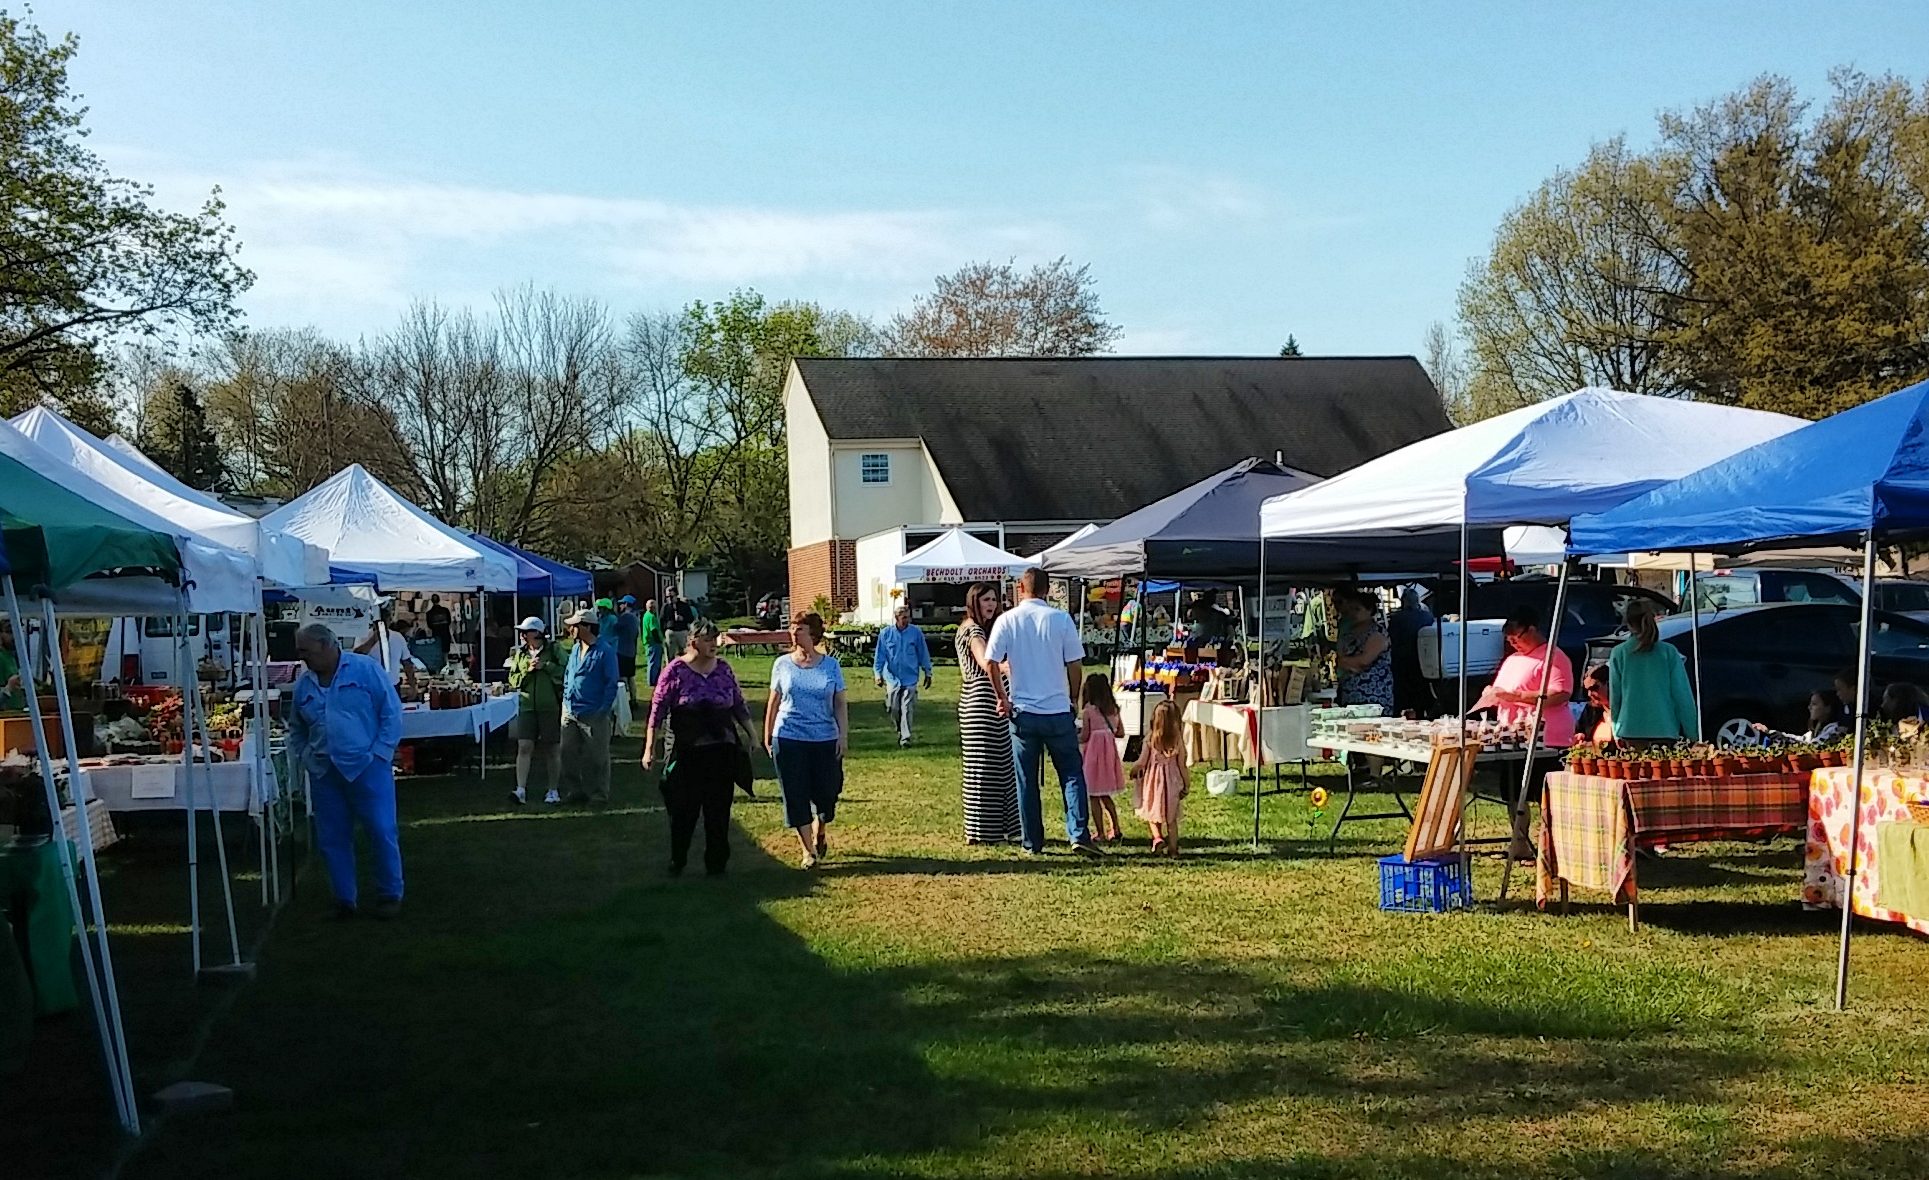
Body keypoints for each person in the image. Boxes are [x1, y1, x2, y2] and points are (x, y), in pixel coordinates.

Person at [286, 624, 404, 919]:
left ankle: (390, 893)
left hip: (367, 767)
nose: (302, 658)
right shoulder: (304, 684)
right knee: (332, 837)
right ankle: (344, 899)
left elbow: (391, 712)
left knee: (381, 830)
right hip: (325, 772)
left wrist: (380, 754)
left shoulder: (365, 670)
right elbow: (296, 728)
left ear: (327, 646)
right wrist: (307, 757)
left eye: (306, 651)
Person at [986, 567, 1102, 857]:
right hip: (1057, 709)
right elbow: (1075, 664)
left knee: (1026, 780)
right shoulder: (1061, 619)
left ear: (1020, 589)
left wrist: (1003, 697)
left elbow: (990, 662)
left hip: (1023, 711)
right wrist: (1073, 698)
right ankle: (1078, 833)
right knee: (1071, 774)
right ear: (1047, 590)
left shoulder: (1007, 620)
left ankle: (1032, 841)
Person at [644, 620, 753, 876]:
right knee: (683, 810)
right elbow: (657, 712)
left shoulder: (723, 669)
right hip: (687, 751)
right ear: (693, 642)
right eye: (707, 639)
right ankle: (678, 859)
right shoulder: (675, 671)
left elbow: (737, 704)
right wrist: (650, 747)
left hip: (720, 750)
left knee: (718, 809)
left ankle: (717, 864)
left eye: (715, 639)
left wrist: (751, 734)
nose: (714, 644)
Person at [764, 611, 848, 868]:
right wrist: (768, 735)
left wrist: (842, 735)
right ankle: (807, 851)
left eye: (799, 628)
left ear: (812, 633)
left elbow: (839, 702)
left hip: (824, 737)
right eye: (791, 628)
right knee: (795, 793)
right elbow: (774, 701)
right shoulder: (782, 664)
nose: (794, 632)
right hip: (789, 736)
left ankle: (819, 828)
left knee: (828, 792)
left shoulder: (830, 665)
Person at [956, 582, 1021, 844]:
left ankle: (1006, 828)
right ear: (975, 602)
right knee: (984, 766)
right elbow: (984, 660)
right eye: (986, 600)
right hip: (982, 702)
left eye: (994, 599)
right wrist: (1004, 668)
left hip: (993, 700)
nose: (991, 605)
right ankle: (984, 830)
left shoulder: (986, 629)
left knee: (1002, 764)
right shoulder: (972, 630)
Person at [1481, 605, 1576, 750]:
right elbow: (1501, 689)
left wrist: (1518, 696)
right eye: (1509, 640)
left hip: (1546, 739)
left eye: (1516, 638)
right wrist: (1491, 693)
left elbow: (1560, 694)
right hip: (1514, 737)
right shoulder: (1512, 659)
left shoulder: (1553, 656)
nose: (1513, 644)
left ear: (1531, 630)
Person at [1606, 598, 1698, 747]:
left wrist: (1616, 731)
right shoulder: (1669, 653)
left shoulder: (1619, 653)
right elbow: (1682, 696)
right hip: (1665, 729)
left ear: (1628, 624)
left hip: (1630, 729)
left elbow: (1615, 697)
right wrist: (1693, 734)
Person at [559, 609, 619, 805]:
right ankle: (574, 790)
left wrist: (603, 710)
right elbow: (569, 674)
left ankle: (599, 793)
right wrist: (567, 696)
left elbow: (611, 683)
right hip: (570, 710)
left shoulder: (605, 651)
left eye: (574, 626)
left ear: (586, 627)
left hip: (594, 712)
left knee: (597, 757)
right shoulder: (576, 649)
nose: (570, 629)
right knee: (567, 752)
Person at [505, 617, 565, 806]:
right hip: (527, 706)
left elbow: (566, 670)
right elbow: (513, 680)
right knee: (524, 747)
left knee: (552, 749)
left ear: (538, 633)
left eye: (526, 631)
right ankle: (521, 789)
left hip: (549, 706)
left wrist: (546, 667)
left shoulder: (554, 650)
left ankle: (553, 790)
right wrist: (527, 672)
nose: (522, 635)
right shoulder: (520, 654)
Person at [1131, 699, 1189, 856]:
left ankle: (1157, 837)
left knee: (1152, 812)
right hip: (1172, 783)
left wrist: (1134, 770)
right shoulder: (1177, 741)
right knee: (1171, 819)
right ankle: (1173, 849)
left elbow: (1142, 762)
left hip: (1153, 783)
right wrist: (1186, 784)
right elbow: (1182, 764)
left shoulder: (1150, 739)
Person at [872, 603, 934, 748]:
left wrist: (927, 672)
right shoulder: (886, 634)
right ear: (896, 618)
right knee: (893, 708)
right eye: (903, 618)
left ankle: (905, 738)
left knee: (907, 707)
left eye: (908, 617)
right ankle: (900, 729)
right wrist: (877, 674)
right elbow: (880, 655)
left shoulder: (916, 633)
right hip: (892, 677)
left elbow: (923, 653)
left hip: (910, 676)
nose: (906, 620)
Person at [1079, 672, 1127, 843]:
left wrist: (1074, 737)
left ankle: (1099, 831)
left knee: (1093, 795)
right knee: (1106, 795)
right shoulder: (1113, 709)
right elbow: (1120, 732)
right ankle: (1115, 828)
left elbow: (1085, 736)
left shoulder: (1089, 711)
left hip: (1093, 756)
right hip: (1108, 757)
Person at [1332, 587, 1394, 712]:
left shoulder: (1377, 632)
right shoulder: (1348, 633)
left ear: (1369, 610)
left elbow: (1364, 660)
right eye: (1351, 609)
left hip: (1374, 696)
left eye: (1357, 609)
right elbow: (1340, 659)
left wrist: (1349, 662)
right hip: (1350, 695)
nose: (1353, 613)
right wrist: (1350, 663)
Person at [1387, 585, 1437, 717]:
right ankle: (1421, 715)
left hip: (1401, 662)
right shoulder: (1427, 616)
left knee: (1403, 695)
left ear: (1403, 601)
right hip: (1423, 659)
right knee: (1421, 693)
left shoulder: (1397, 618)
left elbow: (1391, 638)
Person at [353, 608, 422, 690]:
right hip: (370, 685)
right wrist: (374, 639)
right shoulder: (364, 636)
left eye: (385, 621)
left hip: (392, 685)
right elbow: (356, 657)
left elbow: (407, 663)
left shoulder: (398, 637)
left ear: (390, 620)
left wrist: (413, 686)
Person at [1755, 688, 1850, 743]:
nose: (1809, 707)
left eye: (1814, 704)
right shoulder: (1816, 731)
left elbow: (1810, 746)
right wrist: (1770, 732)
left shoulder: (1834, 730)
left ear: (1828, 708)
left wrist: (1783, 738)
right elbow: (1802, 739)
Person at [1575, 664, 1614, 746]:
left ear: (1610, 684)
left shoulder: (1625, 711)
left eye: (1594, 688)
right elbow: (1580, 731)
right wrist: (1580, 736)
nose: (1589, 694)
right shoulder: (1589, 710)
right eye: (1587, 690)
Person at [611, 596, 643, 688]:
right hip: (632, 650)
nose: (620, 606)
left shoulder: (625, 617)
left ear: (626, 604)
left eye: (621, 604)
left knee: (623, 676)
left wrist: (615, 612)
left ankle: (625, 697)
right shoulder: (635, 617)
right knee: (631, 677)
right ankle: (634, 698)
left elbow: (615, 628)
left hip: (623, 651)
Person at [641, 597, 666, 689]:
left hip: (648, 642)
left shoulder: (645, 615)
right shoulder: (651, 617)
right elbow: (654, 629)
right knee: (654, 662)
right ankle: (653, 681)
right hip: (653, 642)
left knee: (651, 661)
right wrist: (659, 641)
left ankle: (652, 680)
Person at [664, 593, 696, 658]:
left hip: (682, 631)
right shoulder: (666, 606)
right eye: (667, 597)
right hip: (671, 631)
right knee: (670, 653)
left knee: (684, 651)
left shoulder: (684, 605)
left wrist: (683, 618)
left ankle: (684, 666)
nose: (669, 598)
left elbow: (691, 618)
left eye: (671, 596)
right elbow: (662, 619)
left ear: (676, 595)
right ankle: (671, 666)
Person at [0, 620, 22, 711]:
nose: (14, 636)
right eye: (9, 631)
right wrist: (8, 688)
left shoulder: (12, 656)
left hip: (18, 714)